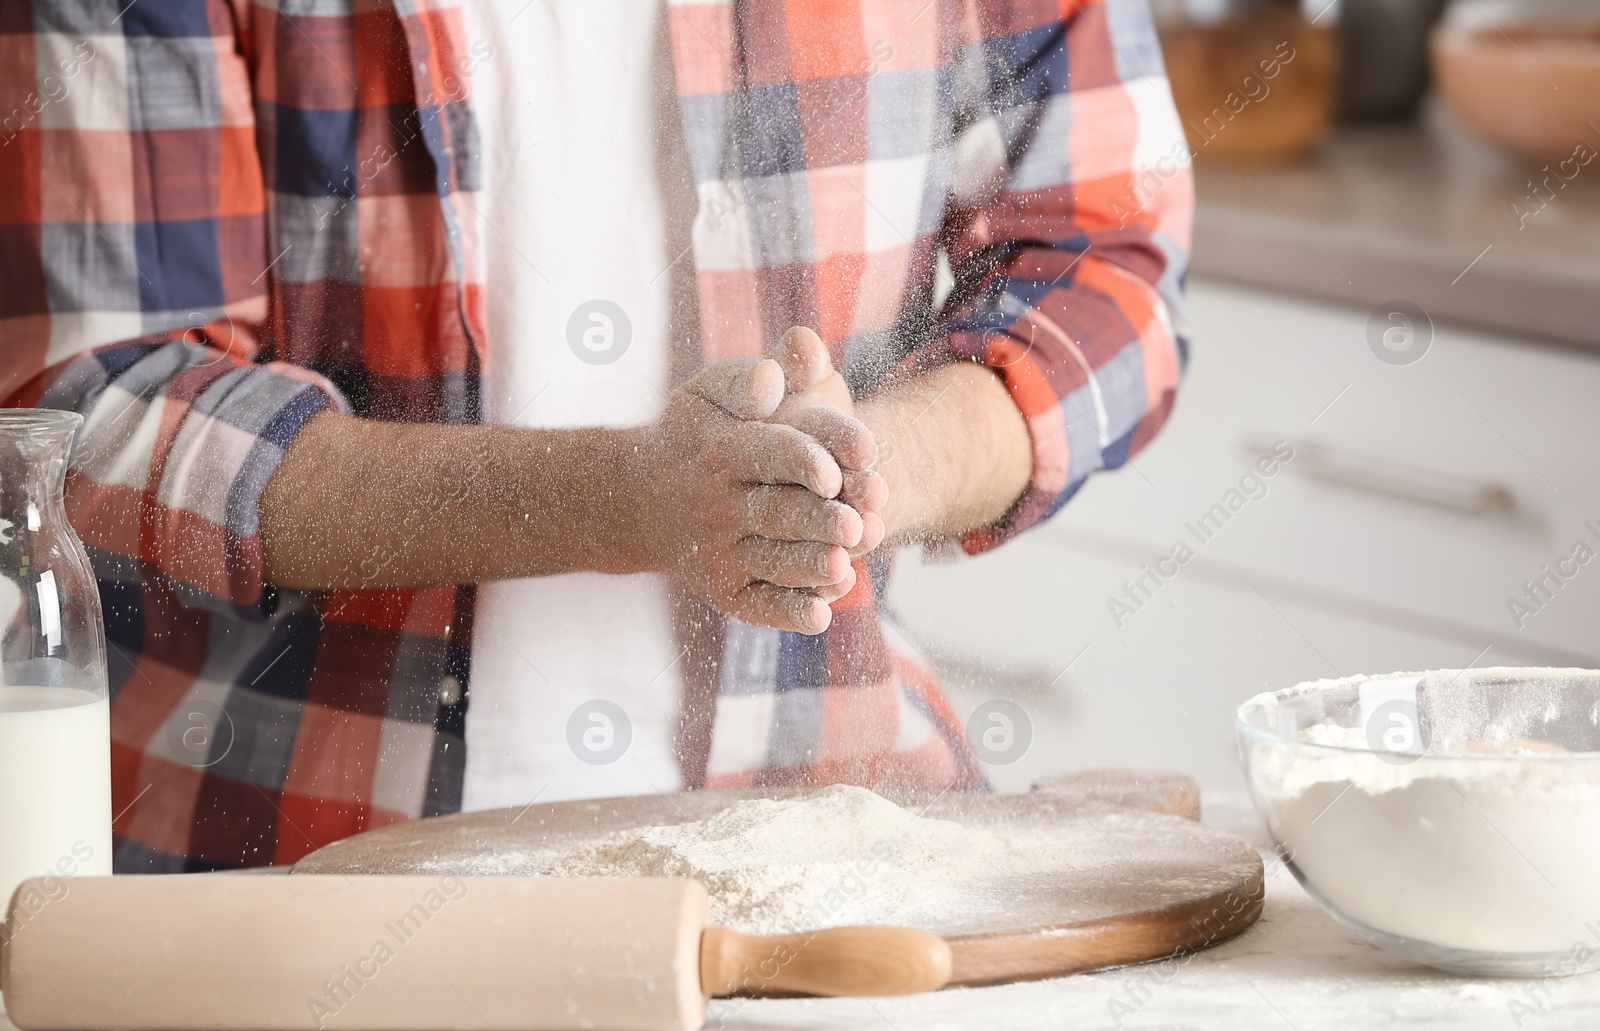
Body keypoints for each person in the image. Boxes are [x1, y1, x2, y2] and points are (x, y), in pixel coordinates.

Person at [0, 0, 1190, 871]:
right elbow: (97, 394)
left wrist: (855, 474)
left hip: (831, 845)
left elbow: (1102, 264)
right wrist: (630, 496)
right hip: (283, 863)